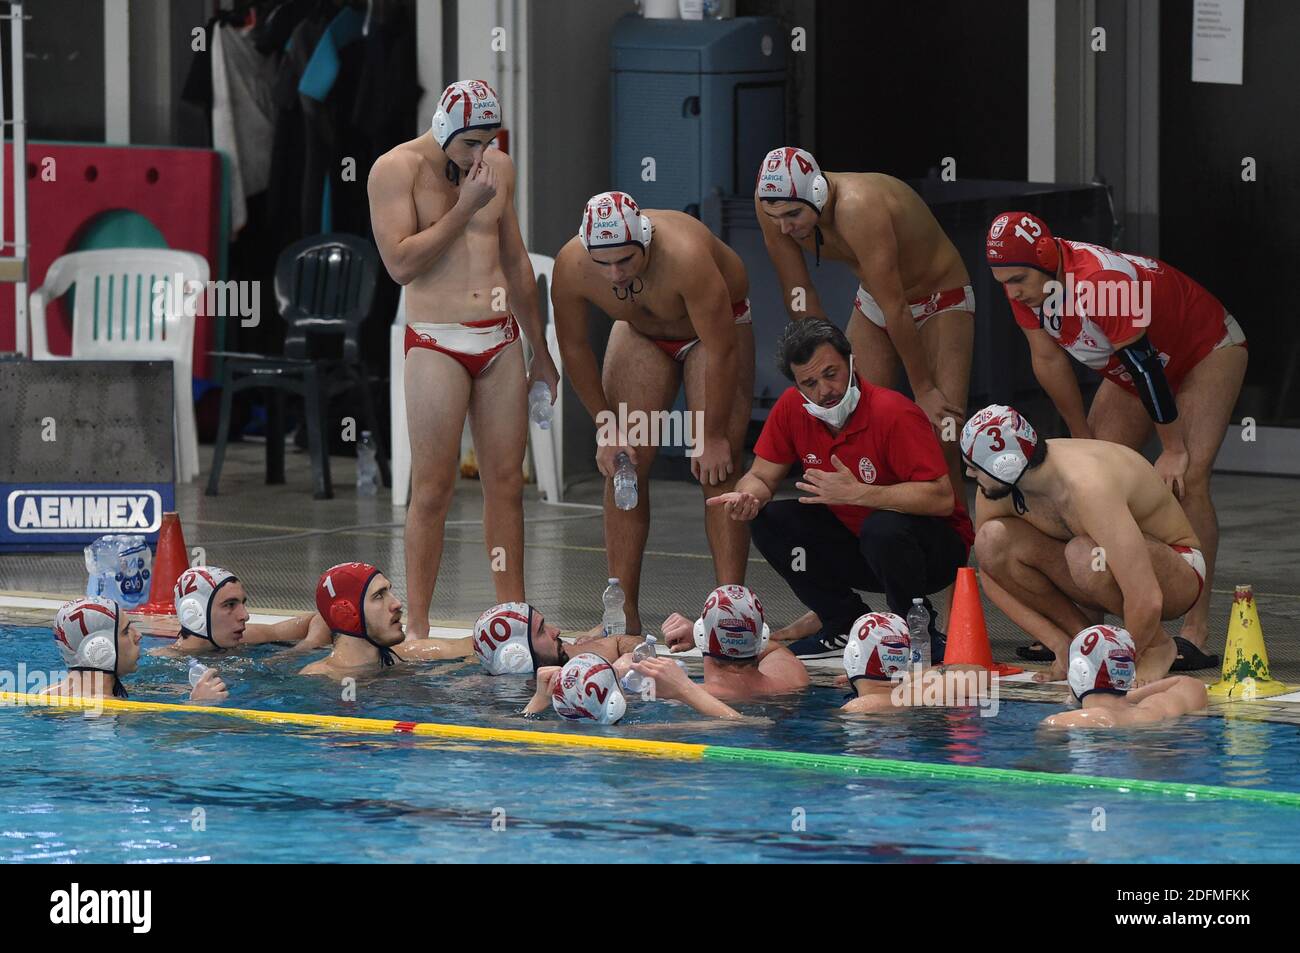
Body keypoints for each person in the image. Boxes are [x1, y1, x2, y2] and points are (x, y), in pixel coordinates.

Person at [986, 210, 1246, 667]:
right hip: (1134, 367)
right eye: (1002, 282)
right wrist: (1082, 437)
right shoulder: (1027, 285)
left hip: (1205, 348)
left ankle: (1195, 631)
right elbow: (1048, 363)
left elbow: (1146, 365)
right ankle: (1089, 621)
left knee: (1188, 479)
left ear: (1047, 260)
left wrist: (1174, 448)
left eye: (1018, 279)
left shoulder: (1101, 282)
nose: (1012, 291)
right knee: (1085, 477)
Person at [369, 79, 560, 640]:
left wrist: (541, 351)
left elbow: (517, 260)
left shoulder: (496, 166)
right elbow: (401, 264)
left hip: (499, 338)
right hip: (435, 339)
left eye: (490, 143)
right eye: (472, 144)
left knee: (506, 482)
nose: (482, 156)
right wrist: (464, 206)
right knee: (434, 487)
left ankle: (515, 618)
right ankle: (418, 628)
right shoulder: (394, 169)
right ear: (446, 131)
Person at [550, 190, 756, 637]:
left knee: (716, 470)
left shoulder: (685, 255)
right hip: (640, 333)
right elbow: (574, 347)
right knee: (624, 464)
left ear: (645, 241)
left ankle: (730, 615)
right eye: (603, 264)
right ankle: (621, 619)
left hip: (713, 335)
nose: (615, 274)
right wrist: (606, 425)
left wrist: (714, 434)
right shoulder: (571, 264)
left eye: (625, 261)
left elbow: (721, 350)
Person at [707, 319, 971, 658]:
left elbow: (941, 498)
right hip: (860, 543)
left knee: (883, 526)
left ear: (851, 362)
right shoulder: (792, 408)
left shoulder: (893, 413)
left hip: (931, 552)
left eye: (831, 374)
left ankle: (915, 629)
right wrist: (748, 495)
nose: (823, 391)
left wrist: (862, 493)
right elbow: (761, 477)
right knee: (770, 519)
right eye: (810, 383)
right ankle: (843, 622)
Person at [755, 146, 975, 499]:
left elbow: (898, 308)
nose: (785, 227)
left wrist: (924, 390)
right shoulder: (774, 203)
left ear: (817, 193)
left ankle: (955, 541)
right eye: (776, 217)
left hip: (938, 297)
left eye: (794, 215)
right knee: (853, 420)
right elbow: (798, 289)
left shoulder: (858, 207)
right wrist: (823, 354)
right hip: (877, 300)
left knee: (942, 433)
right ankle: (869, 537)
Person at [964, 404, 1203, 685]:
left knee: (1084, 555)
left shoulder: (1088, 485)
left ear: (1004, 467)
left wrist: (1117, 662)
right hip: (1099, 569)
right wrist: (1058, 642)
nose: (969, 475)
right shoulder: (995, 489)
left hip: (1179, 569)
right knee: (992, 541)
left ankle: (1157, 646)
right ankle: (1077, 639)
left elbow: (1147, 597)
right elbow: (992, 576)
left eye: (974, 467)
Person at [299, 563, 475, 679]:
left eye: (389, 591)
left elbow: (482, 644)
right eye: (379, 596)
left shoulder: (405, 655)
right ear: (346, 615)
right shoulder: (317, 678)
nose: (397, 603)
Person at [42, 597, 227, 703]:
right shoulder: (111, 710)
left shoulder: (46, 694)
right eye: (125, 632)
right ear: (99, 649)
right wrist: (198, 705)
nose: (138, 636)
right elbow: (168, 742)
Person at [1041, 625, 1208, 728]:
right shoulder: (1152, 712)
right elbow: (1191, 685)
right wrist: (1127, 697)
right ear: (1130, 671)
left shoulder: (1060, 722)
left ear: (1079, 673)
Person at [659, 585, 809, 700]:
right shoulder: (794, 679)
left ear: (700, 636)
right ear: (762, 636)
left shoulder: (679, 696)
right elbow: (778, 651)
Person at [149, 565, 330, 658]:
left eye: (242, 603)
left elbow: (321, 617)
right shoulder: (164, 663)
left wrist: (302, 649)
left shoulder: (246, 637)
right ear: (195, 614)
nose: (245, 615)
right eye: (230, 605)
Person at [839, 611, 991, 714]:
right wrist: (906, 677)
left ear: (850, 655)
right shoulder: (920, 694)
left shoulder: (856, 707)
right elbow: (981, 674)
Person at [521, 652, 741, 721]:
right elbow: (741, 724)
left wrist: (537, 702)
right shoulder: (644, 732)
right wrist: (684, 688)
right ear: (615, 704)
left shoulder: (550, 730)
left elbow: (510, 730)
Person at [472, 601, 644, 675]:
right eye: (541, 631)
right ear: (517, 656)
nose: (556, 631)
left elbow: (630, 642)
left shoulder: (566, 654)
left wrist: (618, 671)